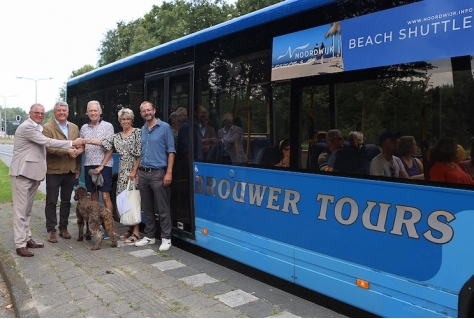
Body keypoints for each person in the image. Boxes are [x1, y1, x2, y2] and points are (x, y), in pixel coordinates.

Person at [10, 103, 83, 257]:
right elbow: (48, 143)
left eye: (42, 113)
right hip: (22, 174)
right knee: (20, 211)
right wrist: (71, 143)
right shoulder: (27, 127)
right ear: (30, 113)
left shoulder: (37, 127)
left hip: (32, 174)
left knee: (27, 210)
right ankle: (20, 244)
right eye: (37, 112)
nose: (40, 115)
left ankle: (27, 238)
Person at [84, 108, 142, 245]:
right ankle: (129, 228)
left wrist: (135, 171)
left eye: (128, 119)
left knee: (133, 200)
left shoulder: (137, 133)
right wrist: (86, 140)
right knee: (123, 200)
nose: (125, 121)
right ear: (120, 121)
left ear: (132, 120)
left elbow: (140, 154)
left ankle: (136, 232)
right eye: (123, 119)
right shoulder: (117, 136)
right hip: (122, 170)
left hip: (133, 170)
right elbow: (105, 144)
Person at [135, 101, 175, 251]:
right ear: (141, 114)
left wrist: (169, 172)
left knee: (163, 208)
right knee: (147, 207)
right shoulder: (143, 130)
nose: (147, 113)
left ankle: (166, 238)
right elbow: (140, 153)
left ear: (154, 110)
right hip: (143, 173)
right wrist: (138, 173)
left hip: (158, 173)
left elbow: (171, 151)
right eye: (144, 111)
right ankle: (150, 236)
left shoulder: (165, 128)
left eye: (149, 110)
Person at [43, 101, 82, 243]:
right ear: (54, 112)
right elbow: (48, 147)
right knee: (51, 201)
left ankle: (63, 228)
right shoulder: (47, 128)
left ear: (68, 112)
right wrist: (67, 151)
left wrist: (78, 167)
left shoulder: (74, 127)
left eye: (64, 111)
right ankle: (51, 230)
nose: (62, 113)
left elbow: (79, 147)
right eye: (59, 110)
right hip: (53, 170)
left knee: (66, 201)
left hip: (70, 170)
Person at [79, 100, 114, 239]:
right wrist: (76, 152)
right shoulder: (84, 128)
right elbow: (83, 146)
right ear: (87, 113)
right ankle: (95, 227)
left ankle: (108, 227)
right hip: (89, 165)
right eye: (90, 111)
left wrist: (102, 165)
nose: (93, 113)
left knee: (105, 196)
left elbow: (109, 146)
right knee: (93, 197)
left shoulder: (108, 126)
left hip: (104, 165)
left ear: (100, 112)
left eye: (95, 110)